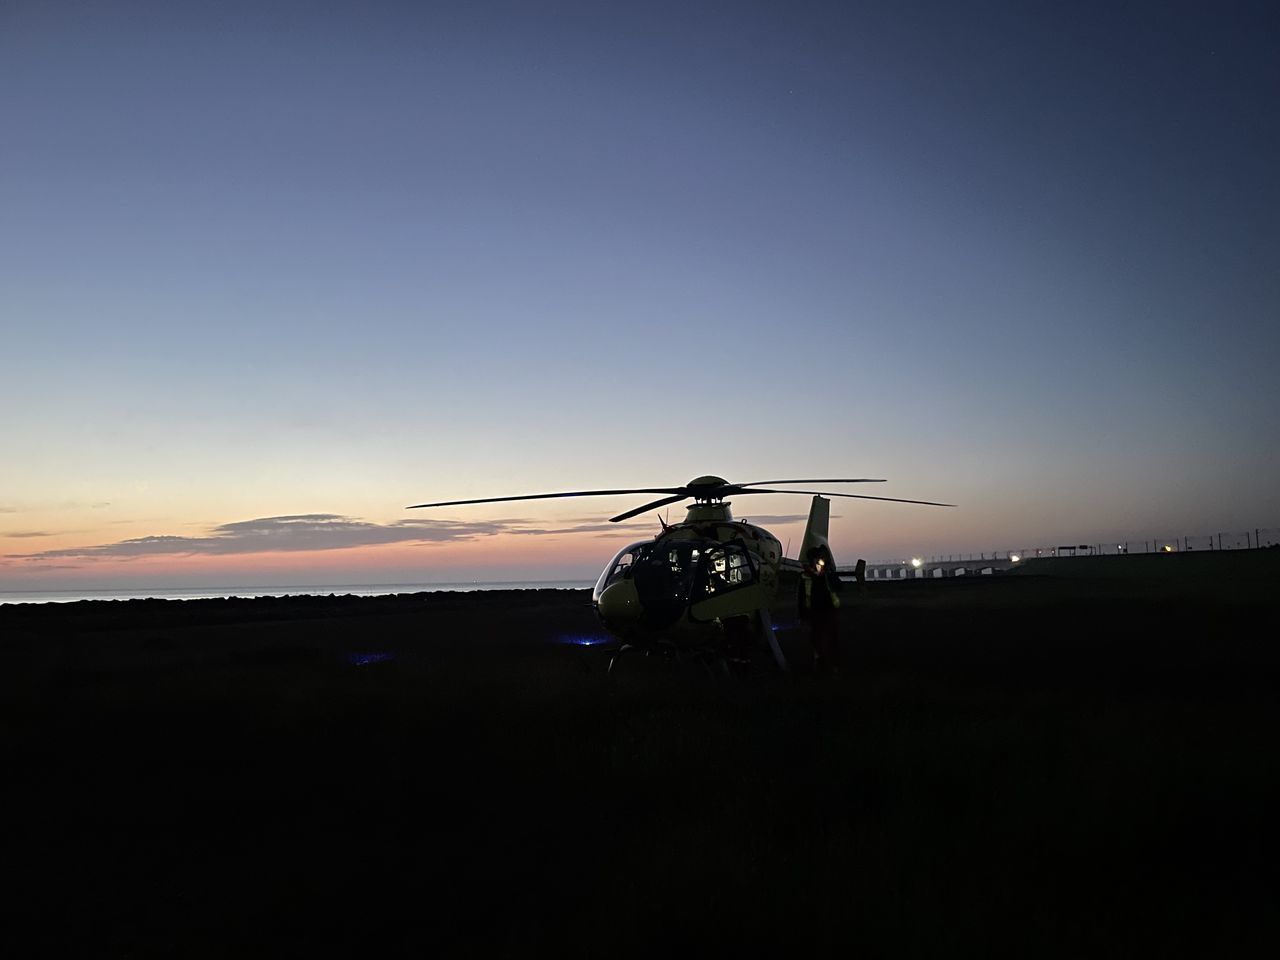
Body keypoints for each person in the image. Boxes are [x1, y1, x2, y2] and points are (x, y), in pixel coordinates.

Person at [798, 545, 842, 672]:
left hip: (829, 611)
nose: (817, 562)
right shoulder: (805, 577)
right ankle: (820, 663)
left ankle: (833, 665)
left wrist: (828, 574)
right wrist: (801, 615)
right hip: (814, 613)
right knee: (816, 640)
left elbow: (839, 586)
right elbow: (800, 598)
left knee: (832, 639)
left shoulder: (827, 574)